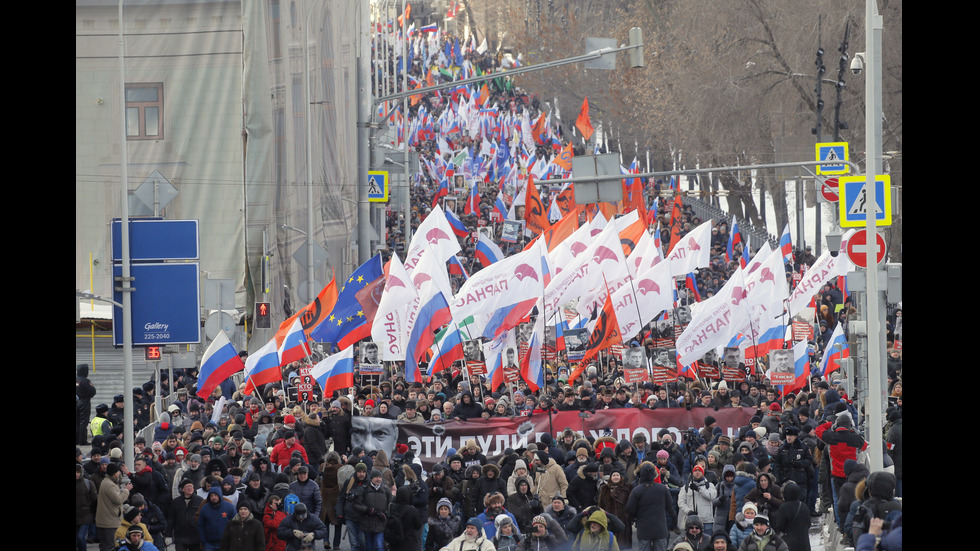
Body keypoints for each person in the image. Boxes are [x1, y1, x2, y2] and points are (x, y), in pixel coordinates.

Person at [626, 462, 675, 551]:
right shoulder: (662, 489)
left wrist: (634, 519)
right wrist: (674, 523)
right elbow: (670, 507)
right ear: (654, 475)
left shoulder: (637, 490)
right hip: (660, 528)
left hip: (644, 528)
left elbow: (630, 509)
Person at [96, 463, 132, 551]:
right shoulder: (110, 485)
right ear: (114, 473)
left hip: (108, 520)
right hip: (109, 522)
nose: (119, 474)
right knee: (109, 547)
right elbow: (118, 500)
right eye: (117, 472)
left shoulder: (109, 482)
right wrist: (126, 490)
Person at [168, 478, 204, 551]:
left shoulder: (200, 501)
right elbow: (171, 519)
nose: (189, 488)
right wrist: (168, 535)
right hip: (180, 537)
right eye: (187, 486)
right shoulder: (176, 502)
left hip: (195, 537)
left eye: (191, 486)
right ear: (182, 489)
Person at [199, 483, 235, 551]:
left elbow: (235, 523)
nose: (213, 497)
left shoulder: (229, 507)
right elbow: (201, 525)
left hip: (225, 543)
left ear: (220, 495)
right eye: (211, 496)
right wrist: (203, 539)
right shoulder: (204, 508)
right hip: (209, 543)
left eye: (215, 495)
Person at [77, 364, 97, 445]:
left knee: (77, 421)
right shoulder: (85, 381)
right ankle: (82, 440)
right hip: (84, 402)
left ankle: (77, 440)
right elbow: (92, 391)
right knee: (83, 422)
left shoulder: (76, 380)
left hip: (77, 401)